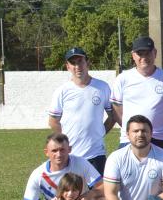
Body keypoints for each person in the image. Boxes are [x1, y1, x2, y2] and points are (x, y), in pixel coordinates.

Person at [111, 36, 163, 163]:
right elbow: (116, 109)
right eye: (139, 54)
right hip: (130, 141)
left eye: (147, 53)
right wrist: (132, 130)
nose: (144, 57)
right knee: (129, 182)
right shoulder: (123, 79)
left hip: (162, 139)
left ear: (155, 53)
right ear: (133, 55)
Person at [47, 46, 114, 174]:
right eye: (73, 63)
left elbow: (112, 116)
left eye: (80, 61)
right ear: (67, 66)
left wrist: (101, 131)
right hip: (72, 155)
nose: (77, 66)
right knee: (71, 193)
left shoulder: (102, 87)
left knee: (98, 193)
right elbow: (53, 121)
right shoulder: (62, 91)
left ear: (87, 63)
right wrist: (65, 140)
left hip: (96, 154)